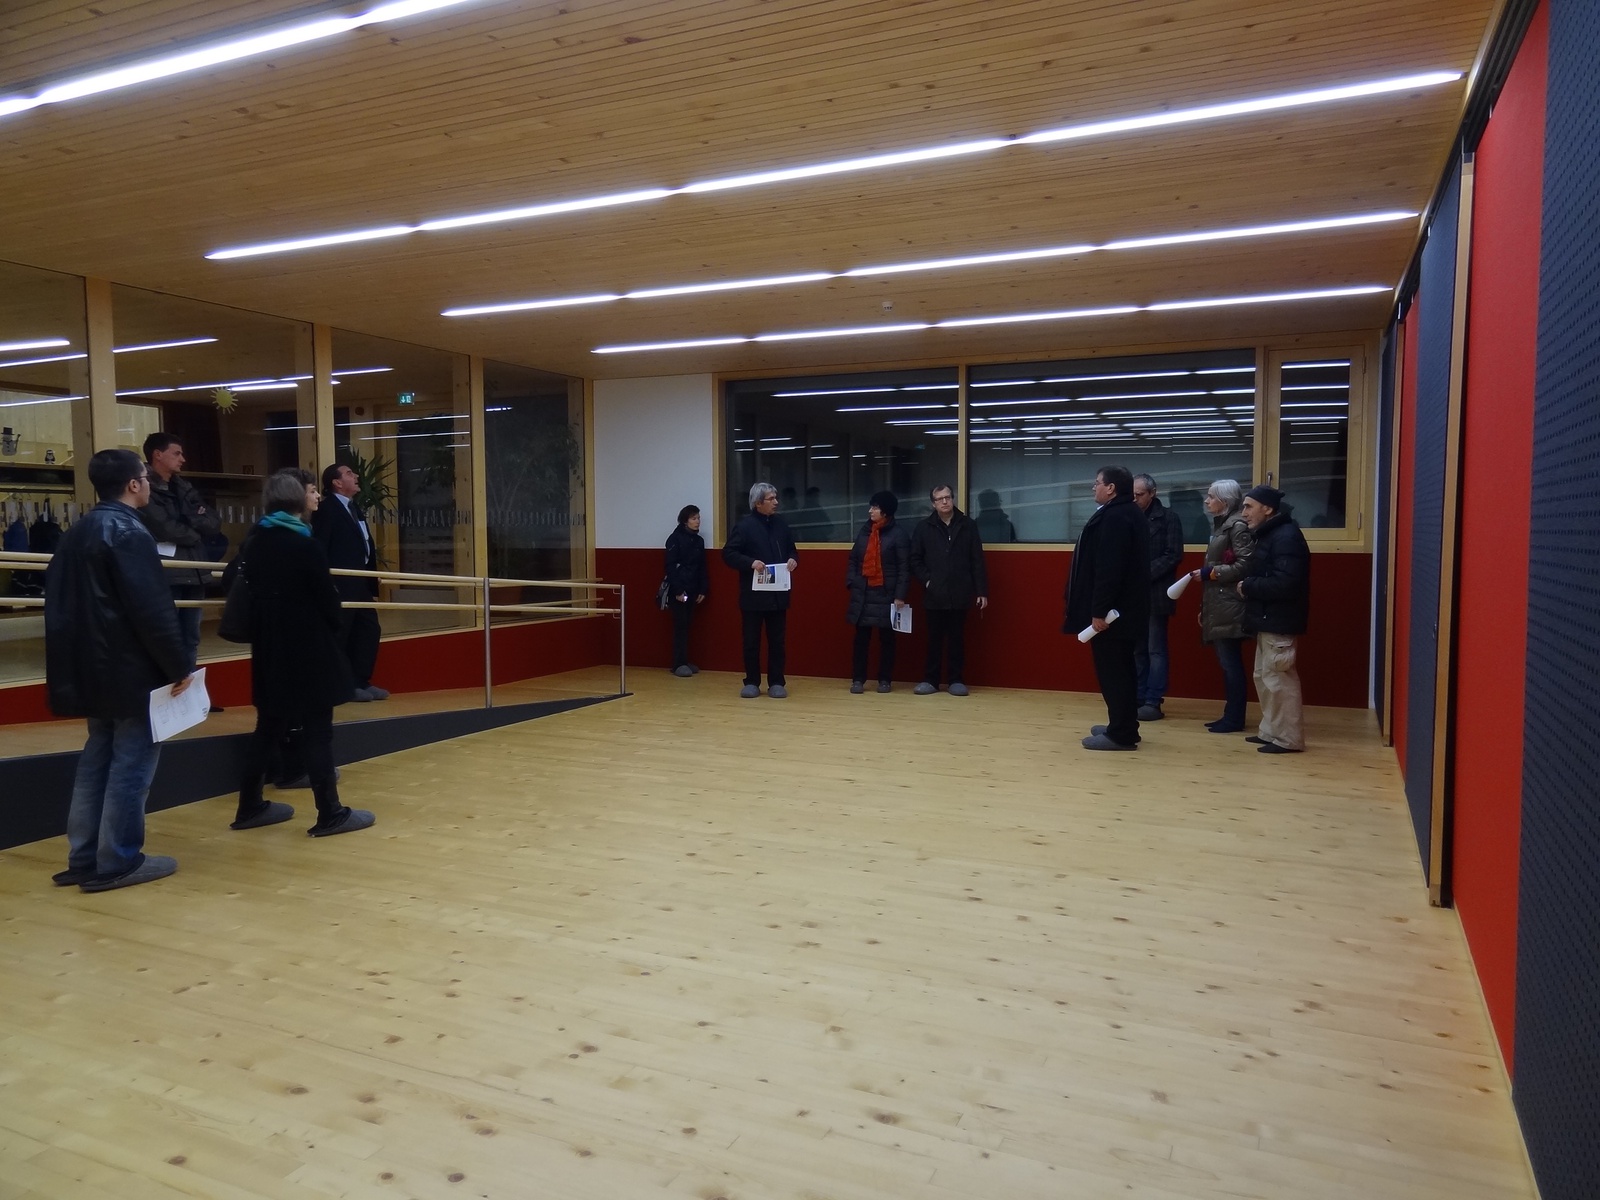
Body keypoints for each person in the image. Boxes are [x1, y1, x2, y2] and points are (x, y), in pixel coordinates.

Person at [44, 449, 193, 892]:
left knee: (96, 760)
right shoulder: (129, 532)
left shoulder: (76, 532)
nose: (148, 483)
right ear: (133, 484)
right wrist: (178, 665)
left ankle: (84, 856)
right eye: (145, 477)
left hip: (89, 667)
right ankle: (118, 859)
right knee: (131, 765)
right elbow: (152, 610)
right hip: (129, 669)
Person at [232, 469, 376, 835]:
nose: (316, 498)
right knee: (318, 730)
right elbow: (329, 603)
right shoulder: (304, 545)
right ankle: (330, 812)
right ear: (298, 499)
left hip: (269, 648)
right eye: (311, 492)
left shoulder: (255, 541)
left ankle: (249, 806)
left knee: (267, 727)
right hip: (308, 648)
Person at [1063, 466, 1150, 751]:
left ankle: (1121, 734)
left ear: (1111, 488)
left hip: (1114, 615)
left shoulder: (1116, 517)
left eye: (1097, 483)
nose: (1093, 487)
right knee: (1122, 670)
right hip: (1126, 611)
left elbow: (1109, 569)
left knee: (1115, 673)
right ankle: (1122, 725)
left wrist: (1099, 611)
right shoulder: (1127, 512)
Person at [1236, 485, 1310, 754]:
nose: (1244, 513)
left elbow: (1286, 583)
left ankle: (1288, 739)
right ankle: (1271, 731)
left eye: (1249, 506)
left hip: (1278, 619)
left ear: (1267, 509)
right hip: (1268, 618)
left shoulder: (1285, 537)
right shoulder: (1272, 534)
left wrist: (1248, 585)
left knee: (1279, 681)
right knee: (1265, 677)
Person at [139, 432, 221, 669]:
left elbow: (214, 522)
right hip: (167, 573)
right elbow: (164, 528)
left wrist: (190, 522)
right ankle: (169, 683)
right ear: (158, 455)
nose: (183, 459)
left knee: (191, 637)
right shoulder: (143, 487)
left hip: (195, 570)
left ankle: (188, 684)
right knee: (167, 636)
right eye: (177, 453)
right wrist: (195, 529)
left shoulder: (184, 487)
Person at [1184, 480, 1255, 733]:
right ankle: (1231, 715)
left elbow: (1245, 565)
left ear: (1225, 501)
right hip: (1219, 603)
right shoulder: (1222, 525)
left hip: (1230, 604)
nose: (1207, 500)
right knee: (1227, 663)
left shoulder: (1236, 526)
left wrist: (1210, 573)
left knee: (1230, 664)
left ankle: (1234, 718)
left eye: (1211, 496)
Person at [312, 462, 387, 701]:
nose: (355, 476)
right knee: (342, 634)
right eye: (348, 473)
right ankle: (341, 685)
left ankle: (360, 680)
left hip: (360, 582)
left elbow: (364, 544)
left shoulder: (353, 508)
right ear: (336, 482)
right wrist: (326, 583)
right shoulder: (327, 510)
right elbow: (320, 547)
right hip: (340, 584)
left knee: (368, 630)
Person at [909, 483, 988, 696]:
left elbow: (977, 560)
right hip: (934, 594)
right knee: (933, 640)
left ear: (953, 499)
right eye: (939, 499)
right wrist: (927, 581)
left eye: (948, 497)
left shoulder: (968, 525)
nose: (944, 501)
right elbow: (914, 559)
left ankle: (956, 680)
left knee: (957, 640)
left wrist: (981, 591)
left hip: (960, 592)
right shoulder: (923, 528)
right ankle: (931, 680)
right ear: (933, 504)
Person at [722, 482, 799, 698]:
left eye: (776, 498)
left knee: (777, 642)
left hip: (778, 595)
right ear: (758, 503)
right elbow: (728, 554)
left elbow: (792, 550)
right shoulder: (744, 527)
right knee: (751, 642)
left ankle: (776, 682)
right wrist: (750, 563)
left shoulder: (782, 524)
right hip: (753, 596)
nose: (776, 502)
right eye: (771, 499)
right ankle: (752, 682)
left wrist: (793, 559)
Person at [1132, 473, 1186, 721]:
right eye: (1132, 494)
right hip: (1132, 594)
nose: (1135, 499)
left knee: (1155, 649)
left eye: (1139, 494)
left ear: (1152, 493)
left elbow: (1173, 555)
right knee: (1137, 649)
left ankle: (1153, 700)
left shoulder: (1169, 518)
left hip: (1156, 591)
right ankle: (1138, 696)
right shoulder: (1129, 517)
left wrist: (1143, 574)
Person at [844, 491, 910, 693]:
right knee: (861, 640)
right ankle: (858, 680)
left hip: (886, 593)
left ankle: (885, 680)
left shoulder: (898, 534)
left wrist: (900, 595)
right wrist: (852, 581)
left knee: (887, 640)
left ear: (885, 511)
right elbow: (853, 559)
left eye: (875, 507)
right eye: (871, 507)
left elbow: (904, 567)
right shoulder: (865, 531)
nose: (870, 511)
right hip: (863, 593)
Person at [664, 504, 709, 677]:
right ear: (685, 521)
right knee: (680, 626)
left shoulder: (699, 541)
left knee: (687, 625)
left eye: (698, 518)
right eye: (693, 518)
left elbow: (702, 566)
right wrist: (677, 590)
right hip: (680, 589)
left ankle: (684, 660)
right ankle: (678, 663)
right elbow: (670, 567)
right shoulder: (674, 539)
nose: (697, 521)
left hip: (693, 587)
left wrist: (703, 589)